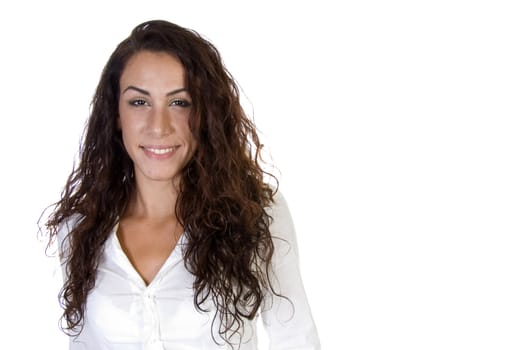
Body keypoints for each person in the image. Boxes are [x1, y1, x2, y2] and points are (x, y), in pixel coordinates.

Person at [45, 19, 320, 350]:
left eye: (179, 102)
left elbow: (295, 337)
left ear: (205, 113)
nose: (158, 126)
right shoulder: (80, 228)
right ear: (115, 113)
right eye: (139, 102)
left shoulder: (257, 215)